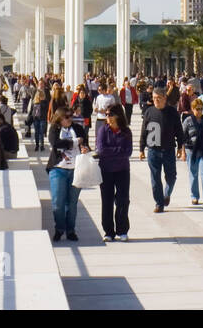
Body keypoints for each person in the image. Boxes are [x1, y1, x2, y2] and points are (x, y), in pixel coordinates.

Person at [45, 107, 90, 242]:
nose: (70, 119)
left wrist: (84, 148)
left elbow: (86, 144)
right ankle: (59, 228)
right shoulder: (54, 129)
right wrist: (75, 142)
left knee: (71, 203)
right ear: (59, 118)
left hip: (76, 169)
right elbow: (56, 144)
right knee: (57, 203)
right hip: (58, 169)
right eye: (67, 117)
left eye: (71, 116)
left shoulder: (78, 128)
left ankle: (71, 230)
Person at [139, 88, 185, 212]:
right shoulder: (149, 112)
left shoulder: (172, 112)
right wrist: (141, 148)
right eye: (154, 98)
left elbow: (179, 131)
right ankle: (159, 203)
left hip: (168, 150)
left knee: (171, 177)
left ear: (165, 98)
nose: (156, 100)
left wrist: (180, 146)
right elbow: (144, 131)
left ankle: (166, 194)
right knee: (155, 178)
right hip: (153, 151)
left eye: (158, 98)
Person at [95, 104, 132, 241]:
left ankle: (122, 230)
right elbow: (101, 150)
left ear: (117, 115)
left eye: (110, 114)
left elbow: (127, 152)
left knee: (123, 200)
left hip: (122, 170)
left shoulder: (126, 131)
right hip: (106, 170)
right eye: (106, 114)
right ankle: (108, 232)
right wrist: (117, 150)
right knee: (107, 201)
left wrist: (112, 151)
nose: (108, 117)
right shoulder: (103, 130)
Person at [182, 99, 203, 206]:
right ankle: (195, 196)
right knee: (193, 173)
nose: (199, 111)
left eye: (201, 109)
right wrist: (182, 152)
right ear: (192, 109)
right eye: (197, 109)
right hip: (191, 150)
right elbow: (182, 137)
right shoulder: (188, 121)